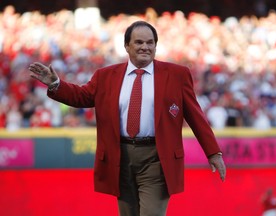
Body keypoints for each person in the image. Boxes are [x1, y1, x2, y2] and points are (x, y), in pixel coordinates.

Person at [29, 20, 226, 216]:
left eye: (150, 42)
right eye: (139, 42)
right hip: (120, 157)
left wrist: (213, 152)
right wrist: (55, 83)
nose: (145, 47)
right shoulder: (106, 76)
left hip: (157, 158)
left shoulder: (177, 75)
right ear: (127, 46)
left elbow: (195, 116)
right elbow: (82, 97)